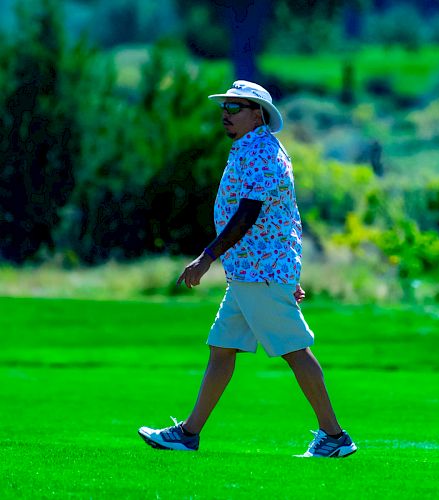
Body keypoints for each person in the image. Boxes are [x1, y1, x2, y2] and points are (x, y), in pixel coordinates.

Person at [138, 80, 357, 458]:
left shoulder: (260, 152)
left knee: (295, 351)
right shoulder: (251, 148)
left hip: (261, 273)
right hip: (251, 273)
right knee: (222, 349)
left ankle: (335, 437)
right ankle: (188, 434)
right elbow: (285, 216)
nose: (227, 113)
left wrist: (207, 257)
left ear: (258, 114)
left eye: (236, 107)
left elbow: (248, 215)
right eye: (225, 107)